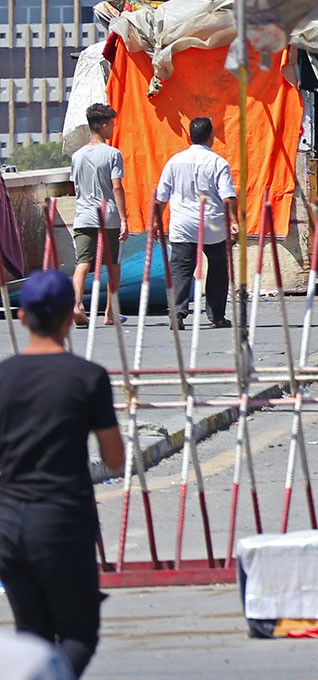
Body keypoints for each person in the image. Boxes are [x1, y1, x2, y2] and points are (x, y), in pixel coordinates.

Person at [0, 271, 124, 676]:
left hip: (8, 522)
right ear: (69, 318)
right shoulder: (87, 377)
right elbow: (114, 457)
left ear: (21, 317)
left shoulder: (3, 377)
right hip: (61, 519)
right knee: (77, 634)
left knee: (31, 632)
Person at [152, 116, 239, 329]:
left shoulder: (174, 161)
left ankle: (177, 312)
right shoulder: (218, 162)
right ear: (211, 136)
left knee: (181, 268)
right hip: (212, 224)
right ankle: (216, 315)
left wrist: (156, 223)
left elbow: (161, 197)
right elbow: (227, 196)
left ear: (189, 136)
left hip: (182, 224)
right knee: (218, 268)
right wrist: (234, 222)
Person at [69, 103, 126, 327]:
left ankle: (76, 305)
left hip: (83, 215)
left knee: (82, 262)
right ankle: (110, 313)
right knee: (113, 264)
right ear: (103, 126)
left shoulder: (77, 155)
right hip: (109, 215)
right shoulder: (113, 154)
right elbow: (117, 187)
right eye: (111, 124)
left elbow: (76, 186)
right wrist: (124, 219)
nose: (112, 128)